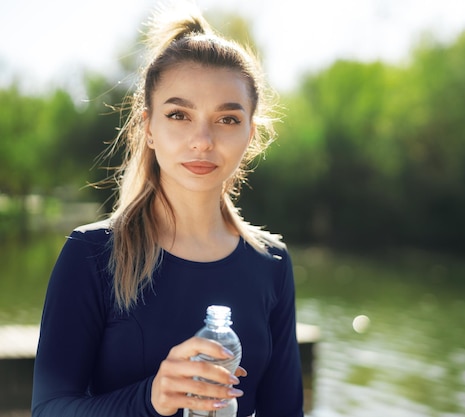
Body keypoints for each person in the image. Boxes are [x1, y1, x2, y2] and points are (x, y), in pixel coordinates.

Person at [31, 4, 304, 417]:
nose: (202, 139)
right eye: (179, 114)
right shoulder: (91, 253)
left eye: (227, 119)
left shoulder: (272, 263)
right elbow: (48, 409)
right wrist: (151, 397)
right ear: (149, 128)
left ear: (252, 132)